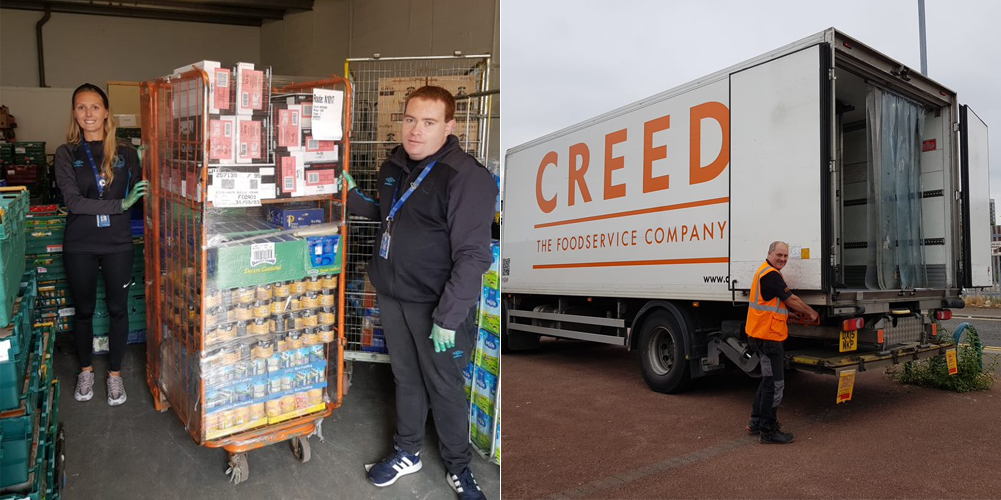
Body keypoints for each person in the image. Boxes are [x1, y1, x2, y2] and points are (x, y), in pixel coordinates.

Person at [343, 86, 496, 499]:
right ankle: (408, 451)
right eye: (410, 119)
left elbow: (472, 255)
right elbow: (394, 217)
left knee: (444, 386)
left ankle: (459, 467)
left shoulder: (466, 177)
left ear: (449, 126)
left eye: (428, 123)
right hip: (394, 296)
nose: (415, 131)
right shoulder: (393, 166)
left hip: (436, 305)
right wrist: (353, 197)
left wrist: (448, 317)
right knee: (406, 377)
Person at [54, 83, 148, 406]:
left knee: (118, 309)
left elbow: (142, 190)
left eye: (95, 107)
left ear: (106, 111)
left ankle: (116, 375)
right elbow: (74, 202)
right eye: (81, 107)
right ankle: (85, 370)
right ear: (74, 113)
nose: (88, 114)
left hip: (117, 242)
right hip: (80, 242)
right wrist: (119, 206)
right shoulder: (66, 153)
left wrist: (147, 162)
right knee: (84, 311)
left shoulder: (124, 152)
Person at [744, 241, 818, 444]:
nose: (783, 259)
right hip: (768, 339)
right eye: (779, 255)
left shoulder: (766, 272)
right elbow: (791, 298)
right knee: (775, 385)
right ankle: (768, 432)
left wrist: (788, 315)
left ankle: (757, 422)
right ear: (769, 253)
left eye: (785, 256)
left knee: (768, 382)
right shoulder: (770, 275)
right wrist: (810, 312)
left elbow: (772, 305)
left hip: (762, 335)